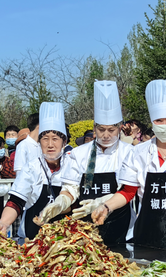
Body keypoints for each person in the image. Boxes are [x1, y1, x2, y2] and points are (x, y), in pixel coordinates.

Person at [91, 79, 166, 251]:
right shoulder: (138, 153)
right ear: (152, 122)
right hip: (148, 232)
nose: (165, 126)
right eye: (159, 120)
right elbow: (128, 191)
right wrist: (106, 206)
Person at [36, 80, 133, 245]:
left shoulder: (129, 153)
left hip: (120, 226)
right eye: (101, 129)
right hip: (84, 229)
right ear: (94, 128)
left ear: (120, 128)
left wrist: (102, 202)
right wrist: (59, 204)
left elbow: (129, 191)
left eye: (111, 130)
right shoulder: (79, 153)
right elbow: (70, 190)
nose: (106, 135)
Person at [0, 102, 68, 240]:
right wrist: (3, 222)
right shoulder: (31, 167)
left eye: (55, 139)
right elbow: (16, 201)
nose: (50, 145)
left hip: (65, 240)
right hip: (32, 240)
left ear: (64, 142)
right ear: (39, 141)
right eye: (45, 139)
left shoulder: (72, 165)